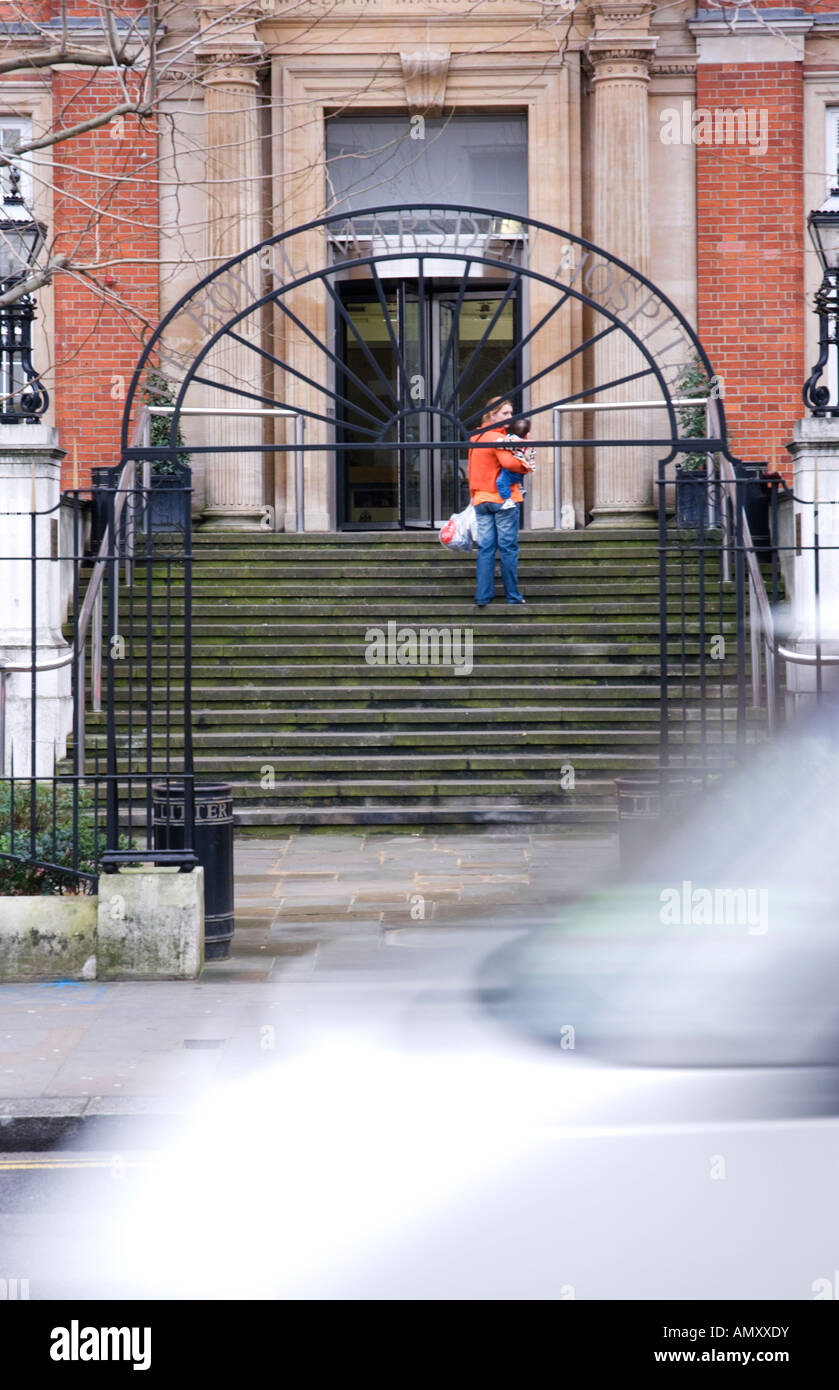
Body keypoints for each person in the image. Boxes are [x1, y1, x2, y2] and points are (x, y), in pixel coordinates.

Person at [467, 396, 530, 607]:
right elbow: (510, 464)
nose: (510, 417)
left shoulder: (475, 437)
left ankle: (483, 596)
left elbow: (472, 469)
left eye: (511, 413)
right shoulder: (497, 437)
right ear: (492, 414)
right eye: (505, 413)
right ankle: (513, 596)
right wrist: (526, 465)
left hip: (481, 499)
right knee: (508, 548)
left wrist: (473, 496)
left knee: (485, 549)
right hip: (502, 501)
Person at [495, 417, 535, 510]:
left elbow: (504, 446)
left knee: (500, 482)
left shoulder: (515, 441)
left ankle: (507, 500)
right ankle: (520, 488)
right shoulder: (528, 443)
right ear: (527, 434)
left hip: (512, 471)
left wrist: (496, 442)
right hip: (522, 469)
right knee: (516, 479)